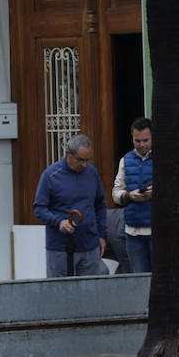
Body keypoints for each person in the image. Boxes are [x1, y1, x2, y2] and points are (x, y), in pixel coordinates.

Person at [33, 133, 108, 277]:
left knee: (90, 292)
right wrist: (58, 222)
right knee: (60, 294)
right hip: (60, 248)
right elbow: (39, 208)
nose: (85, 164)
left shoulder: (92, 172)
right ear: (68, 154)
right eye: (80, 160)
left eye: (88, 160)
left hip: (89, 245)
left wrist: (102, 235)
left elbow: (100, 205)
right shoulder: (51, 175)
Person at [110, 118, 153, 273]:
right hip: (132, 232)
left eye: (146, 140)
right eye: (137, 140)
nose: (142, 144)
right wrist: (129, 196)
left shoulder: (163, 159)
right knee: (140, 280)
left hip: (157, 231)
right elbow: (115, 193)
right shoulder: (125, 160)